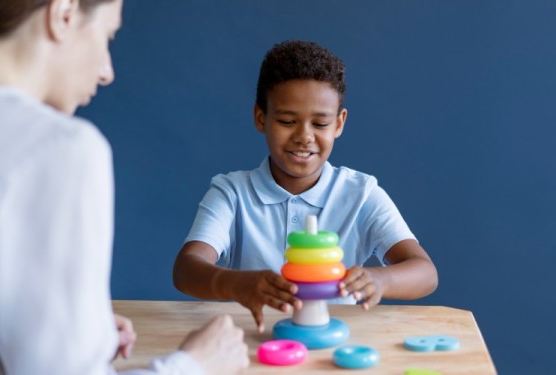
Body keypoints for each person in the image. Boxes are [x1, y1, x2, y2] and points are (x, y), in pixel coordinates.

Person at [0, 1, 249, 374]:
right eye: (107, 35)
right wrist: (193, 365)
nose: (106, 72)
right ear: (63, 14)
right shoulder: (61, 149)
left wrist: (73, 332)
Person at [173, 40, 439, 334]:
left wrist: (380, 280)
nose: (304, 137)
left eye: (320, 124)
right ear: (261, 118)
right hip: (254, 343)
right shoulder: (232, 193)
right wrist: (237, 284)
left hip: (333, 347)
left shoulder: (362, 195)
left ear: (339, 124)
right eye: (287, 121)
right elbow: (186, 269)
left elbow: (425, 272)